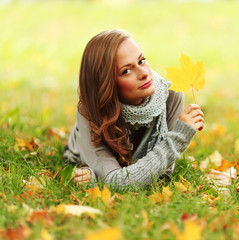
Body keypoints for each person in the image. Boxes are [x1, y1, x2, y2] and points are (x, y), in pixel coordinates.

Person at [64, 29, 204, 189]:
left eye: (142, 60)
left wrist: (102, 180)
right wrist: (177, 138)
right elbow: (119, 184)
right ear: (107, 85)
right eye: (126, 71)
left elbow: (163, 174)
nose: (144, 73)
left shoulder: (171, 97)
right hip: (79, 144)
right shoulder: (90, 111)